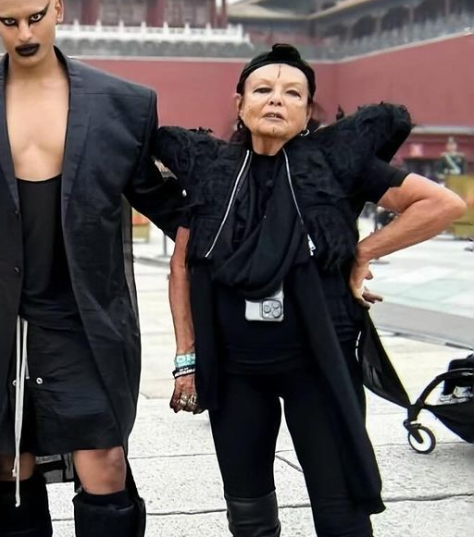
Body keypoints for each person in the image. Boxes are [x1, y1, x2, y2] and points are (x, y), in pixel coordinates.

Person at [155, 43, 466, 537]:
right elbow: (181, 269)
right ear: (239, 104)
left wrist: (363, 252)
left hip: (317, 366)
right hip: (236, 369)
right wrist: (186, 360)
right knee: (247, 506)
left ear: (306, 113)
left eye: (292, 93)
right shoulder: (212, 171)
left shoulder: (336, 167)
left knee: (340, 506)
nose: (276, 99)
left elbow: (440, 204)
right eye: (263, 89)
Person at [0, 0, 186, 537]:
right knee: (9, 473)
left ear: (59, 10)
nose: (25, 34)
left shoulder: (124, 104)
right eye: (10, 21)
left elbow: (173, 209)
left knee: (106, 464)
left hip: (85, 321)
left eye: (37, 17)